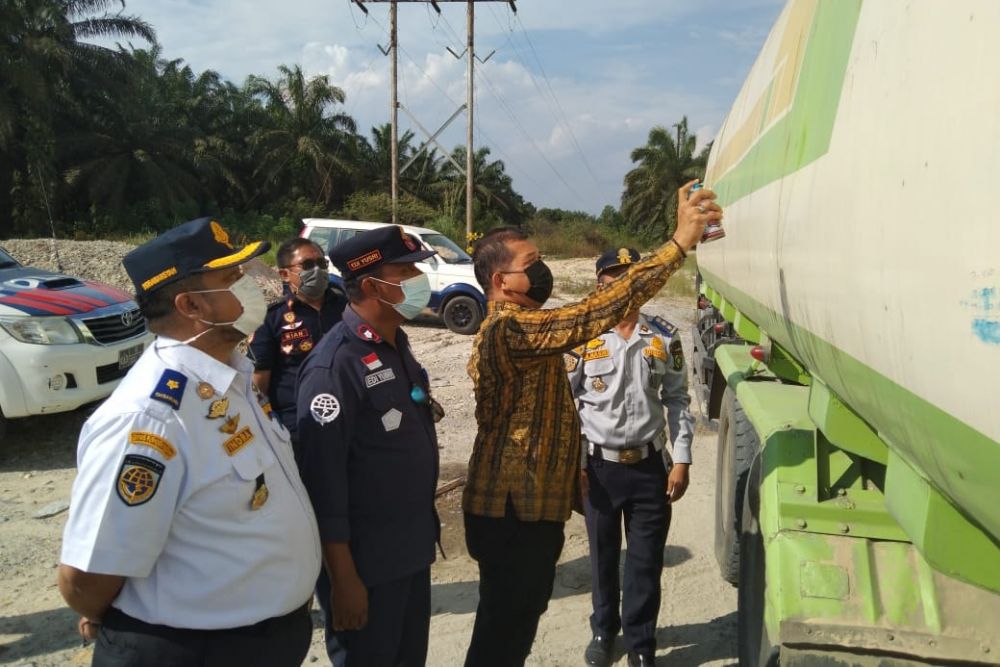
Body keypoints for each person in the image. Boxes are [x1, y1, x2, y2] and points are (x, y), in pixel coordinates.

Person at [462, 180, 720, 667]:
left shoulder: (530, 329)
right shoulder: (510, 328)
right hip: (510, 514)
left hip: (534, 510)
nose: (541, 271)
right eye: (531, 264)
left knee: (516, 623)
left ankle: (634, 639)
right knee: (502, 629)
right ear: (500, 281)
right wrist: (679, 244)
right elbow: (595, 312)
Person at [57, 217, 321, 667]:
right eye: (231, 279)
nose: (250, 286)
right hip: (195, 650)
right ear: (192, 304)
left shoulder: (229, 375)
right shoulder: (150, 416)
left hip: (262, 641)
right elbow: (86, 575)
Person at [296, 225, 442, 667]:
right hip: (366, 566)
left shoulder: (394, 342)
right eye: (405, 270)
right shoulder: (334, 365)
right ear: (375, 285)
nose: (419, 279)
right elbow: (322, 482)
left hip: (410, 549)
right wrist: (343, 578)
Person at [568, 247, 695, 667]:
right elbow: (564, 405)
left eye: (631, 278)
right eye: (613, 279)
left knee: (644, 562)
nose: (623, 287)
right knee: (603, 559)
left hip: (649, 468)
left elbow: (677, 399)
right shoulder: (582, 336)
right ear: (600, 285)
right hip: (598, 469)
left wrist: (682, 459)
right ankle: (604, 631)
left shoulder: (662, 336)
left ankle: (641, 643)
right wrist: (574, 466)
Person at [249, 237, 347, 456]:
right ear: (284, 274)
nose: (318, 271)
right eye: (308, 266)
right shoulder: (272, 318)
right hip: (298, 424)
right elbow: (259, 382)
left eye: (322, 264)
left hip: (348, 416)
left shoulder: (346, 307)